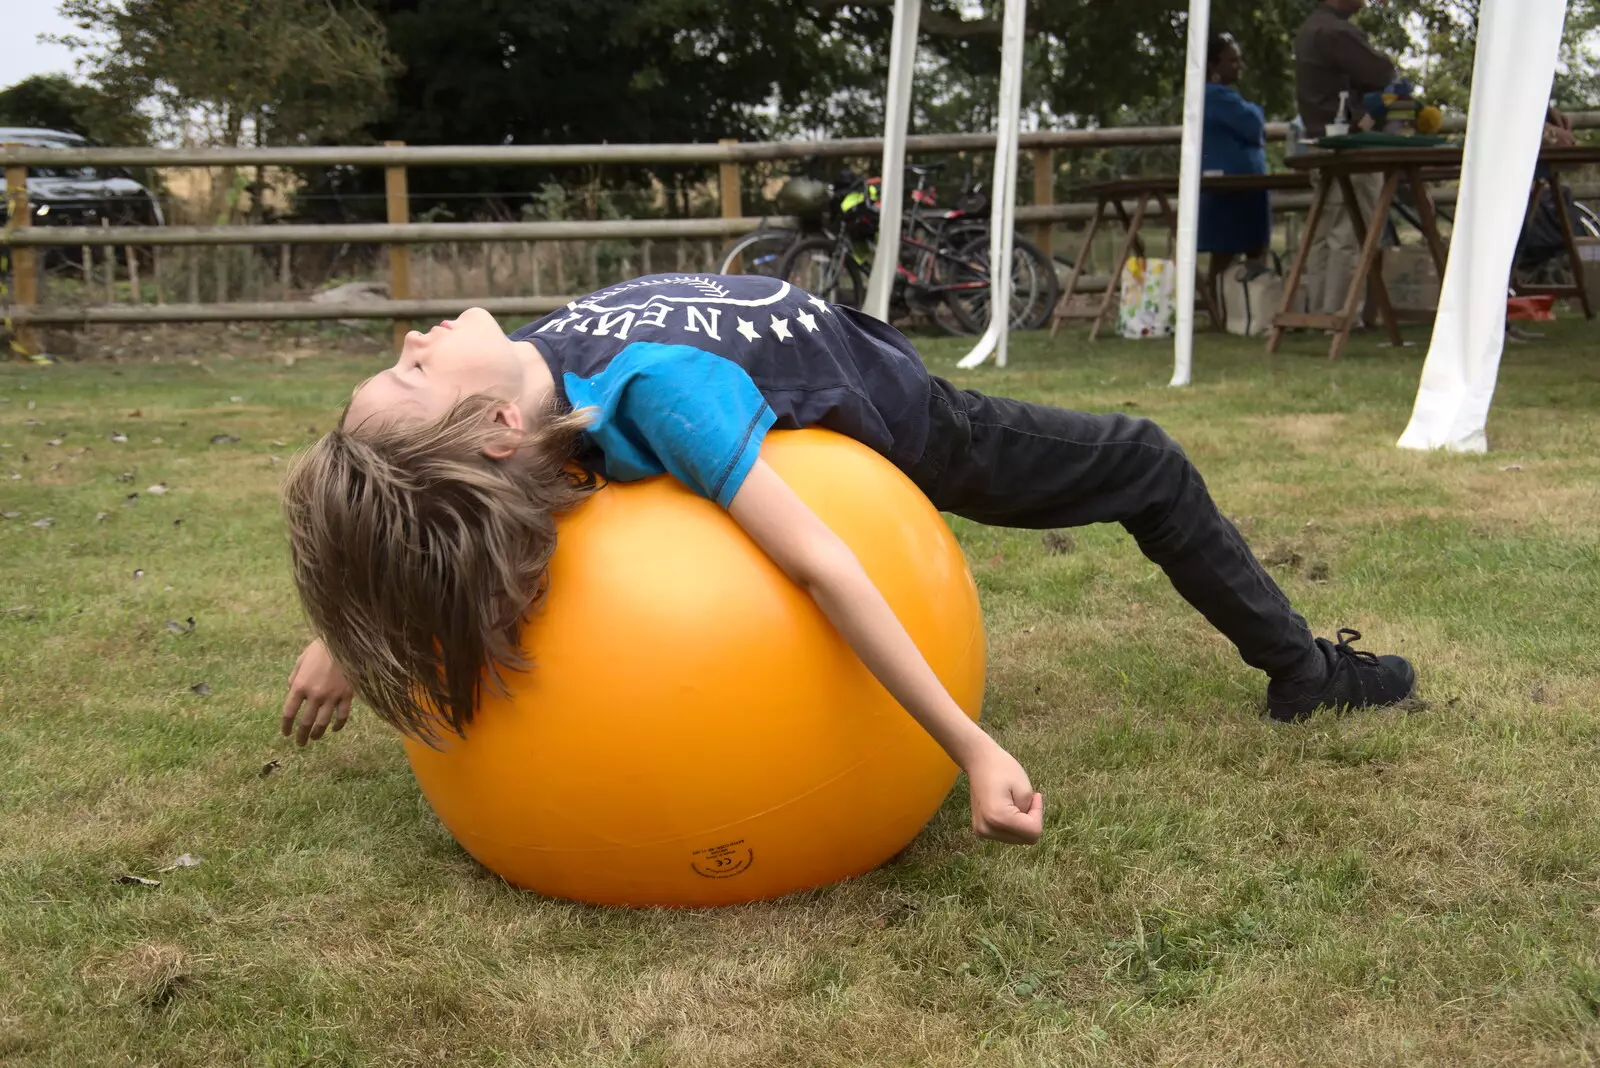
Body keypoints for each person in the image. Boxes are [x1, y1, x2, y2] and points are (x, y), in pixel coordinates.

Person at [278, 274, 1419, 847]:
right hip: (912, 425)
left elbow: (436, 501)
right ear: (491, 437)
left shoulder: (523, 388)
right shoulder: (651, 404)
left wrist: (345, 620)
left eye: (404, 361)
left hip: (849, 343)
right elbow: (824, 567)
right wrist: (970, 747)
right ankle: (1302, 670)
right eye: (415, 374)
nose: (414, 339)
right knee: (1150, 463)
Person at [1294, 0, 1397, 318]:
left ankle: (1319, 310)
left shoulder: (1311, 28)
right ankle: (1341, 312)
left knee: (1324, 232)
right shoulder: (1337, 31)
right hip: (1349, 145)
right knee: (1350, 232)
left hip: (1320, 141)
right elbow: (1382, 72)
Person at [1199, 34, 1272, 296]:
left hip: (1238, 183)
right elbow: (1253, 125)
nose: (1239, 66)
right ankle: (1235, 305)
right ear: (1212, 65)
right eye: (1232, 61)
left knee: (1227, 250)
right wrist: (1255, 111)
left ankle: (1234, 307)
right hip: (1233, 185)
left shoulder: (1220, 96)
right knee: (1232, 249)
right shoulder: (1216, 96)